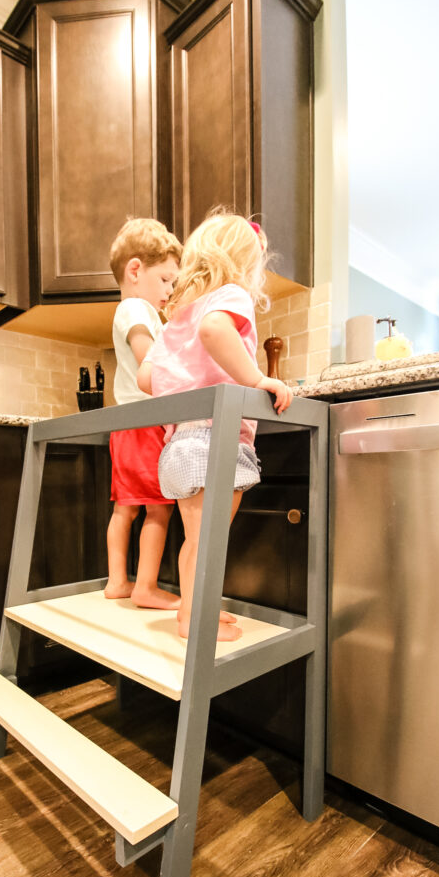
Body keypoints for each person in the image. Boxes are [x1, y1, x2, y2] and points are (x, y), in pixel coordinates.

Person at [137, 210, 293, 640]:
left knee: (197, 541)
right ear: (244, 265)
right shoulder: (230, 296)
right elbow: (214, 329)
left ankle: (196, 608)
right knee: (209, 543)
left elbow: (146, 378)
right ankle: (194, 620)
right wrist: (257, 379)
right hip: (215, 440)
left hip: (179, 445)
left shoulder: (176, 317)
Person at [105, 217, 183, 608]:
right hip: (146, 423)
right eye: (166, 279)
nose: (170, 289)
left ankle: (118, 580)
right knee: (159, 508)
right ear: (136, 270)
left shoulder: (130, 308)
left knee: (125, 508)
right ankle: (145, 587)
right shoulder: (137, 308)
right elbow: (148, 368)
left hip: (125, 426)